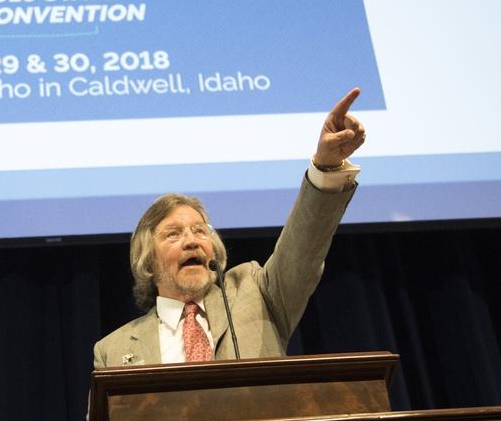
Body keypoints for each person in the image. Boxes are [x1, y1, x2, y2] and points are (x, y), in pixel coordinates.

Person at [92, 88, 367, 368]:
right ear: (148, 260)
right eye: (173, 234)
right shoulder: (112, 350)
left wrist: (326, 166)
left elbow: (303, 249)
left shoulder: (258, 293)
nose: (192, 241)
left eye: (200, 230)